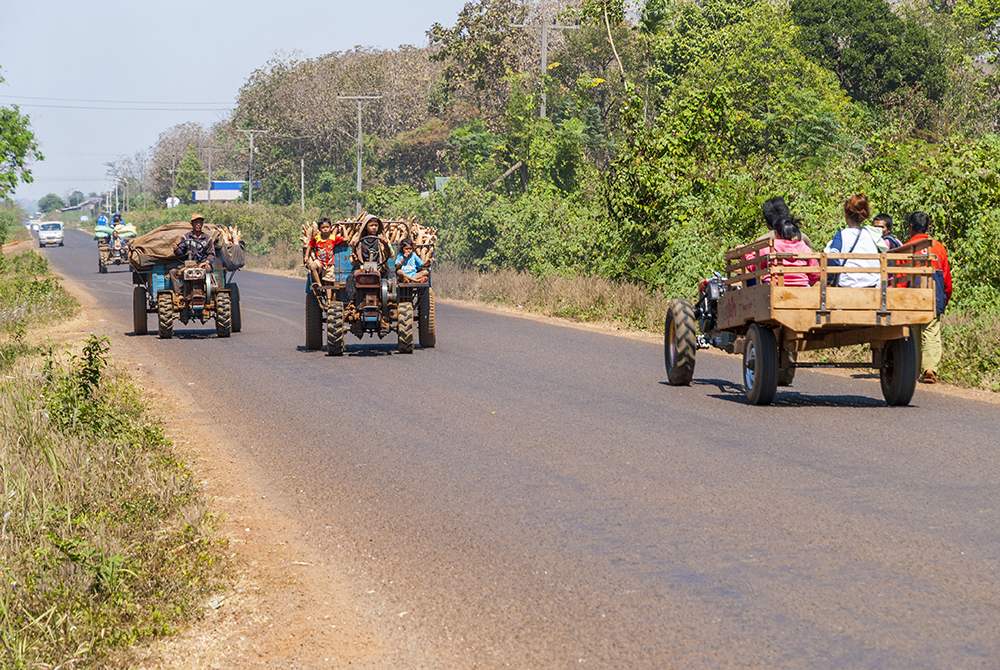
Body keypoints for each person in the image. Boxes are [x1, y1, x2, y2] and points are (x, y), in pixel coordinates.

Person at [905, 211, 952, 384]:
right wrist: (945, 296)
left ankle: (914, 369)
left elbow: (900, 279)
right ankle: (929, 368)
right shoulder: (938, 247)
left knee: (914, 333)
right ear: (927, 227)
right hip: (934, 294)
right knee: (931, 332)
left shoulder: (906, 248)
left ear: (911, 227)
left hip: (913, 295)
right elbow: (946, 277)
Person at [823, 194, 887, 288]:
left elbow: (833, 259)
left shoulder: (841, 235)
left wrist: (829, 280)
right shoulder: (872, 234)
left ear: (846, 216)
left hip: (847, 285)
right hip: (873, 286)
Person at [749, 218, 819, 286]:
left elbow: (754, 268)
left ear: (776, 233)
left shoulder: (770, 248)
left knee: (749, 280)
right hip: (801, 286)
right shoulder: (805, 248)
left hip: (774, 286)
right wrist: (807, 283)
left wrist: (747, 255)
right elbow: (815, 273)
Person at [345, 214, 394, 304]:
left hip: (380, 269)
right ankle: (352, 302)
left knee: (392, 277)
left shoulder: (382, 240)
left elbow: (391, 255)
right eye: (371, 225)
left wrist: (386, 245)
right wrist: (355, 258)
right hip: (362, 269)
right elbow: (352, 262)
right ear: (365, 227)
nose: (374, 228)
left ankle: (390, 301)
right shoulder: (358, 242)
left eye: (376, 225)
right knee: (350, 278)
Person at [170, 213, 215, 293]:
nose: (198, 225)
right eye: (196, 223)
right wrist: (176, 250)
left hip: (202, 264)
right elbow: (180, 252)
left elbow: (211, 253)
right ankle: (179, 293)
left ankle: (207, 292)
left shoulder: (208, 239)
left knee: (208, 271)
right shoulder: (185, 237)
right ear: (191, 224)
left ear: (202, 224)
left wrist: (207, 262)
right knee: (173, 272)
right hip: (187, 264)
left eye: (200, 223)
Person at [305, 218, 346, 282]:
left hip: (329, 264)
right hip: (319, 262)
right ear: (319, 229)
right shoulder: (317, 238)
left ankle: (327, 291)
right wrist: (306, 256)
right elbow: (310, 245)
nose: (325, 229)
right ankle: (318, 285)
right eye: (323, 227)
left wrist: (343, 227)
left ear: (330, 228)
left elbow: (346, 239)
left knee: (328, 284)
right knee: (312, 266)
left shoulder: (333, 237)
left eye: (327, 227)